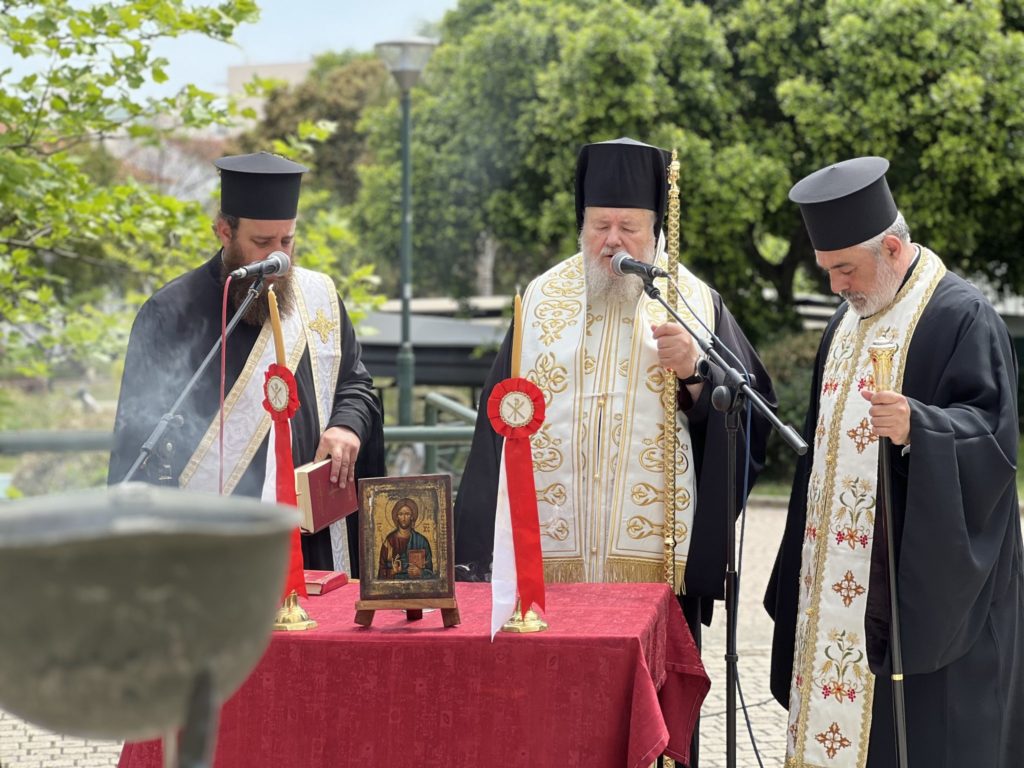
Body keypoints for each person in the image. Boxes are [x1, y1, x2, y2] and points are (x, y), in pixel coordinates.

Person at [454, 137, 776, 764]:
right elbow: (494, 425)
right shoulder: (540, 301)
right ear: (582, 226)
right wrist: (479, 557)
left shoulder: (694, 302)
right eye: (600, 225)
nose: (613, 241)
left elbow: (749, 417)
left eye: (629, 227)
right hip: (547, 564)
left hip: (653, 571)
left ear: (656, 230)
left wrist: (695, 376)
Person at [764, 156, 1024, 767]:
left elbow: (992, 440)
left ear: (890, 247)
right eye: (828, 271)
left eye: (844, 269)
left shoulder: (961, 315)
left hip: (920, 593)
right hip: (836, 587)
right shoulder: (845, 323)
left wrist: (921, 427)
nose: (835, 286)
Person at [108, 152, 385, 575]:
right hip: (213, 545)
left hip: (313, 540)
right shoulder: (171, 312)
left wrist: (346, 423)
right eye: (262, 244)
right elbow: (138, 433)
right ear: (224, 231)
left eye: (287, 242)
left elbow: (356, 385)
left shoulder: (319, 298)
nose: (279, 259)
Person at [377, 498, 435, 580]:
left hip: (416, 587)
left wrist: (420, 572)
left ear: (412, 517)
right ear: (396, 517)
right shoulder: (389, 542)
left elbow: (431, 572)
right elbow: (381, 572)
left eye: (407, 514)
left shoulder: (422, 541)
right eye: (400, 514)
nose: (404, 518)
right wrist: (393, 571)